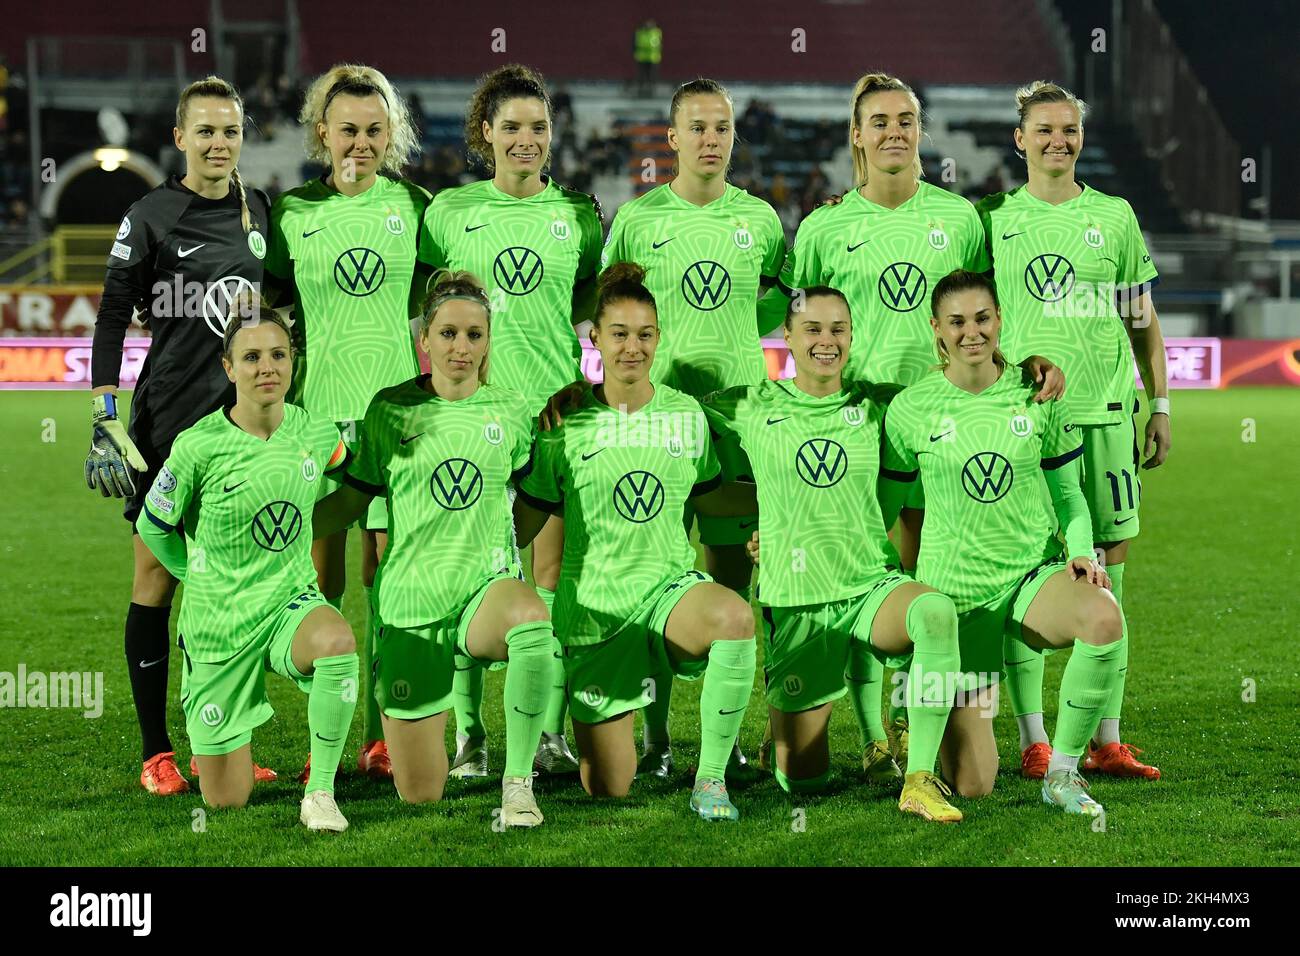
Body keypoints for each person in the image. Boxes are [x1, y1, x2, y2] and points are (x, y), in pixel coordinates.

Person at [773, 72, 1064, 776]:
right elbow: (801, 326)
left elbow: (980, 313)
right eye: (879, 120)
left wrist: (1021, 361)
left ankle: (915, 721)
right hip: (854, 424)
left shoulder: (959, 219)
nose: (894, 130)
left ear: (920, 130)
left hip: (945, 424)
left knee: (928, 572)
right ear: (857, 134)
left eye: (906, 118)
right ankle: (868, 726)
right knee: (859, 567)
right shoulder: (822, 227)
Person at [708, 287, 966, 822]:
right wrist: (584, 395)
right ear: (788, 337)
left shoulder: (882, 404)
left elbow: (965, 385)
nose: (826, 341)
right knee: (802, 780)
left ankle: (918, 777)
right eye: (813, 330)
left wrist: (1030, 367)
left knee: (936, 614)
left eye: (838, 330)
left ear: (851, 336)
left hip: (870, 584)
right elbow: (659, 405)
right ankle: (779, 732)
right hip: (799, 597)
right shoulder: (749, 404)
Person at [85, 76, 275, 795]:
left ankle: (221, 746)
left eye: (230, 130)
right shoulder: (151, 214)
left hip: (238, 429)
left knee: (229, 586)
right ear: (180, 138)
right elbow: (111, 317)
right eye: (206, 131)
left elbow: (273, 310)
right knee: (156, 576)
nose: (219, 142)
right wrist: (105, 413)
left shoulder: (259, 209)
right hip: (165, 424)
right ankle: (156, 751)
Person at [312, 272, 558, 827]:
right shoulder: (389, 410)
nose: (461, 348)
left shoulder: (512, 411)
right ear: (424, 338)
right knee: (420, 793)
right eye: (448, 334)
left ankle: (518, 786)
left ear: (489, 340)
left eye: (474, 335)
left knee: (531, 620)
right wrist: (286, 527)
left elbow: (536, 498)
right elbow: (352, 501)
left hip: (482, 592)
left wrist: (508, 546)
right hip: (411, 604)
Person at [515, 264, 758, 821]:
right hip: (596, 612)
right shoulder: (565, 422)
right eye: (619, 334)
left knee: (735, 618)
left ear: (658, 338)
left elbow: (713, 498)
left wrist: (781, 504)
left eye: (644, 334)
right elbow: (526, 523)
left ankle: (711, 780)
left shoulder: (685, 413)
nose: (633, 347)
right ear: (595, 338)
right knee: (608, 787)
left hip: (668, 590)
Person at [879, 270, 1125, 817]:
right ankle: (916, 705)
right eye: (958, 322)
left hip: (1028, 579)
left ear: (1000, 320)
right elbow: (885, 508)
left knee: (1104, 618)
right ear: (936, 330)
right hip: (957, 600)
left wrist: (1081, 550)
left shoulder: (1039, 393)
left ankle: (1062, 773)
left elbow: (1070, 497)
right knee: (973, 784)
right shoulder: (910, 409)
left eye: (983, 318)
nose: (973, 332)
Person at [976, 81, 1169, 780]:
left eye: (1070, 129)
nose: (1060, 140)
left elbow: (1141, 319)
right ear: (1020, 139)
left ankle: (1105, 737)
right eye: (1045, 129)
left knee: (1111, 577)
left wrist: (1163, 402)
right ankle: (1033, 740)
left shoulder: (1114, 217)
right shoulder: (992, 219)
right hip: (1028, 423)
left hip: (1109, 416)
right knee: (1025, 568)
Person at [419, 64, 603, 778]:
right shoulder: (448, 214)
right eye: (513, 128)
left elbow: (586, 306)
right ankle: (470, 737)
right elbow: (430, 315)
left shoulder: (579, 217)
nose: (527, 140)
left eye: (539, 127)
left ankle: (546, 731)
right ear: (485, 133)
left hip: (556, 419)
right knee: (471, 573)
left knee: (551, 575)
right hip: (470, 419)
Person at [599, 78, 786, 778]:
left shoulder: (761, 221)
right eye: (697, 127)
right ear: (672, 138)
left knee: (734, 583)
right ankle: (654, 737)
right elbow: (608, 312)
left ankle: (727, 736)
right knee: (655, 573)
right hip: (658, 422)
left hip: (741, 421)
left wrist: (738, 332)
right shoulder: (639, 220)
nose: (711, 139)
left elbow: (780, 306)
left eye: (722, 127)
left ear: (734, 136)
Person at [265, 63, 432, 780]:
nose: (358, 144)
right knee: (318, 588)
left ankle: (381, 735)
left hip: (395, 427)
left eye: (373, 131)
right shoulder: (292, 213)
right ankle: (322, 745)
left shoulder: (420, 207)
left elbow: (450, 309)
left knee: (389, 586)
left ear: (389, 133)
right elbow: (267, 315)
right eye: (346, 131)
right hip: (318, 424)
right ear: (321, 133)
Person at [135, 298, 358, 832]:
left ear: (293, 361)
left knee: (338, 643)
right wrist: (197, 576)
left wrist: (310, 525)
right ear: (229, 367)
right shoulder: (197, 446)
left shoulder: (316, 433)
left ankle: (320, 793)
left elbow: (347, 487)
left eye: (278, 354)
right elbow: (152, 526)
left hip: (289, 604)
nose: (268, 367)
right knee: (226, 801)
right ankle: (218, 749)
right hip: (220, 624)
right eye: (252, 356)